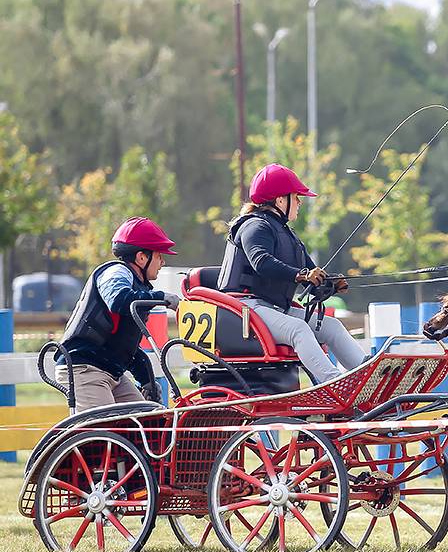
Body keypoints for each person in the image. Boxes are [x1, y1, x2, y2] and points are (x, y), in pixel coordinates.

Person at [217, 163, 363, 383]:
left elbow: (310, 277)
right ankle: (335, 384)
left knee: (331, 326)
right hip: (245, 310)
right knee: (298, 329)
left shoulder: (287, 235)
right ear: (280, 200)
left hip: (272, 310)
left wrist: (329, 285)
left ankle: (366, 375)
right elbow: (262, 262)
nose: (299, 202)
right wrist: (302, 275)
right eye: (295, 197)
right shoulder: (254, 226)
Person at [57, 217, 181, 412]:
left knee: (149, 419)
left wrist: (146, 381)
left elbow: (126, 347)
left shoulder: (136, 286)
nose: (163, 262)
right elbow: (118, 300)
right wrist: (161, 297)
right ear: (141, 257)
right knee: (107, 429)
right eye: (159, 256)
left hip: (110, 372)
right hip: (85, 368)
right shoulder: (116, 272)